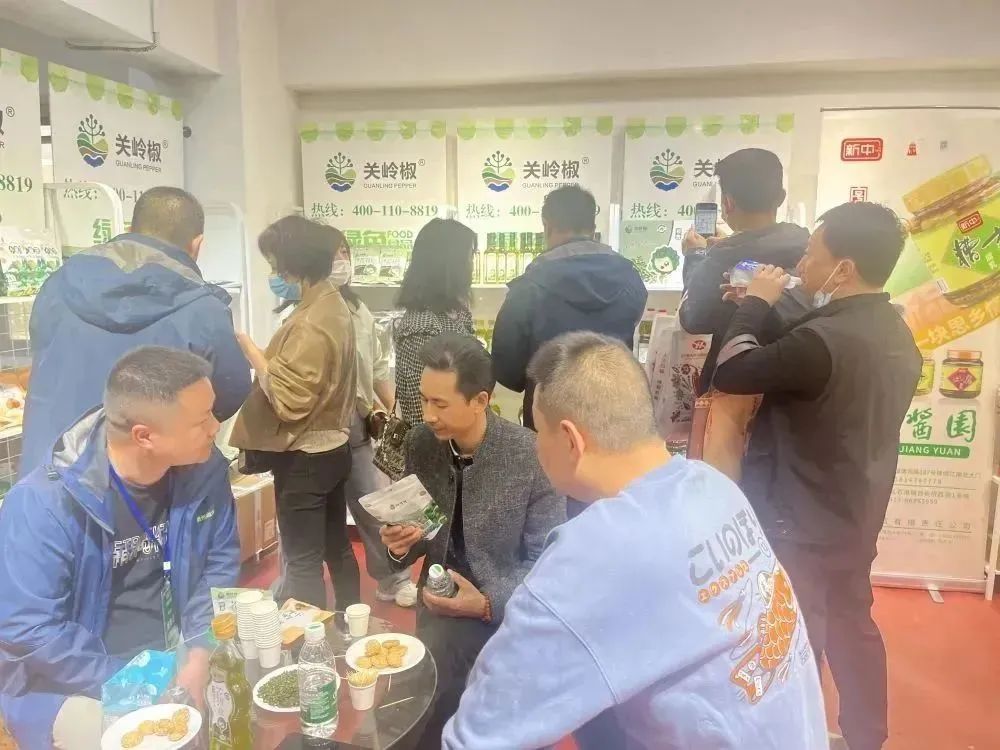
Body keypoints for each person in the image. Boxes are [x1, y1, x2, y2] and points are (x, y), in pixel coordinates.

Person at [443, 332, 827, 750]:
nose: (536, 446)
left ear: (571, 440)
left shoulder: (597, 551)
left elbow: (478, 735)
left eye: (538, 432)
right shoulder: (715, 487)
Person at [712, 202, 921, 750]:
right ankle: (865, 736)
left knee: (793, 635)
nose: (803, 264)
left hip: (798, 514)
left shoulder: (820, 341)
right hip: (856, 505)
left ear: (843, 268)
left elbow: (731, 372)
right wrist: (758, 310)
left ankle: (792, 735)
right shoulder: (893, 330)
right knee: (852, 625)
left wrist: (754, 306)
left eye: (812, 253)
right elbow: (806, 356)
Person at [0, 347, 240, 750]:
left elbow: (220, 566)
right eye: (202, 421)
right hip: (73, 683)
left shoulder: (204, 472)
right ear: (144, 436)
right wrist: (133, 681)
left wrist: (199, 653)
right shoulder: (44, 504)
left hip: (177, 652)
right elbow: (31, 630)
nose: (216, 427)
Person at [379, 333, 564, 749]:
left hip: (504, 611)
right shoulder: (422, 443)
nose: (428, 415)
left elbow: (548, 563)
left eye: (440, 404)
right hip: (438, 604)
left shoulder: (529, 455)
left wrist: (485, 603)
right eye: (423, 400)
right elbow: (421, 530)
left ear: (480, 400)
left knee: (448, 700)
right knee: (418, 694)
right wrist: (400, 544)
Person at [20, 186, 251, 477]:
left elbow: (43, 358)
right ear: (197, 245)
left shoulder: (57, 284)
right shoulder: (204, 310)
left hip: (51, 471)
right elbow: (230, 390)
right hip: (149, 478)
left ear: (130, 229)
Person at [229, 216, 360, 610]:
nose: (274, 274)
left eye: (276, 265)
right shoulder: (332, 304)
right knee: (336, 547)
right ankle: (350, 620)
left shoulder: (311, 323)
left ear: (295, 263)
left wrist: (252, 353)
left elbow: (292, 398)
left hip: (305, 457)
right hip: (332, 449)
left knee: (302, 561)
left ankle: (306, 640)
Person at [491, 184, 647, 431]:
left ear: (547, 225)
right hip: (612, 414)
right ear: (592, 228)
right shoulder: (631, 279)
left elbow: (506, 368)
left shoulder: (529, 287)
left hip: (549, 418)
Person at [679, 148, 809, 394]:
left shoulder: (719, 260)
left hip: (733, 390)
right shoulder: (808, 250)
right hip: (793, 388)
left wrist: (695, 256)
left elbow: (693, 319)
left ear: (728, 203)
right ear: (781, 198)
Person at [334, 237, 418, 608]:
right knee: (309, 518)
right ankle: (298, 587)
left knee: (376, 504)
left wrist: (392, 409)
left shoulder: (358, 309)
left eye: (345, 253)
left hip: (357, 428)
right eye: (333, 255)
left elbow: (378, 365)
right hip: (314, 435)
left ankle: (393, 579)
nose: (342, 261)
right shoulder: (300, 315)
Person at [393, 218, 476, 426]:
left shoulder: (454, 314)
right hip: (440, 441)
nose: (472, 266)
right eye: (469, 256)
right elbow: (419, 412)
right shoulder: (421, 328)